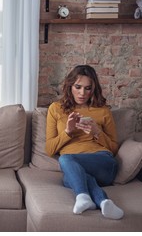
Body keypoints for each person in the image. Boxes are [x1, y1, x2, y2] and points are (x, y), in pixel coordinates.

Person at [45, 65, 124, 220]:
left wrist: (97, 132)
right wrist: (68, 131)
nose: (82, 93)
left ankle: (81, 195)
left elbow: (114, 148)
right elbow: (49, 149)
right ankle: (103, 202)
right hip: (75, 167)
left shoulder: (103, 111)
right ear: (70, 86)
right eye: (78, 87)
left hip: (103, 162)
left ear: (94, 89)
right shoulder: (56, 109)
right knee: (70, 176)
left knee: (66, 160)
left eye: (88, 88)